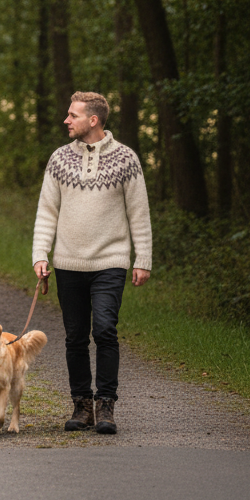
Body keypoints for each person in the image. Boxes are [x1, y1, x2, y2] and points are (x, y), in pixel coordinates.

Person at [32, 92, 152, 434]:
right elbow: (46, 212)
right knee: (74, 337)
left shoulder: (126, 159)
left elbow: (139, 213)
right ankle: (82, 405)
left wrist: (142, 258)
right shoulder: (59, 160)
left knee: (104, 329)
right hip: (68, 263)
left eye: (73, 115)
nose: (66, 120)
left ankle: (107, 405)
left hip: (110, 261)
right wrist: (41, 255)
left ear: (93, 120)